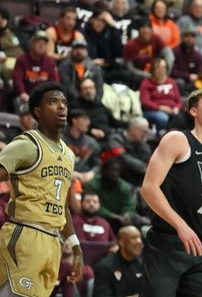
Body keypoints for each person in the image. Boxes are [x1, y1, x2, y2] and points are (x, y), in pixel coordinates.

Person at [140, 86, 202, 296]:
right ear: (194, 111)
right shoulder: (178, 140)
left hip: (198, 250)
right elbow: (148, 188)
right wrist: (181, 226)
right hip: (166, 244)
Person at [0, 82, 84, 296]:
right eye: (53, 102)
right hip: (25, 235)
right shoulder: (26, 144)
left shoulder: (69, 155)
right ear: (38, 111)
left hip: (53, 242)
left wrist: (75, 247)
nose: (61, 107)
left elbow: (62, 205)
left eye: (64, 103)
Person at [92, 225, 144, 297]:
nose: (139, 241)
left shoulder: (142, 265)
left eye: (140, 238)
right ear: (121, 242)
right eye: (133, 238)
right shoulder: (104, 266)